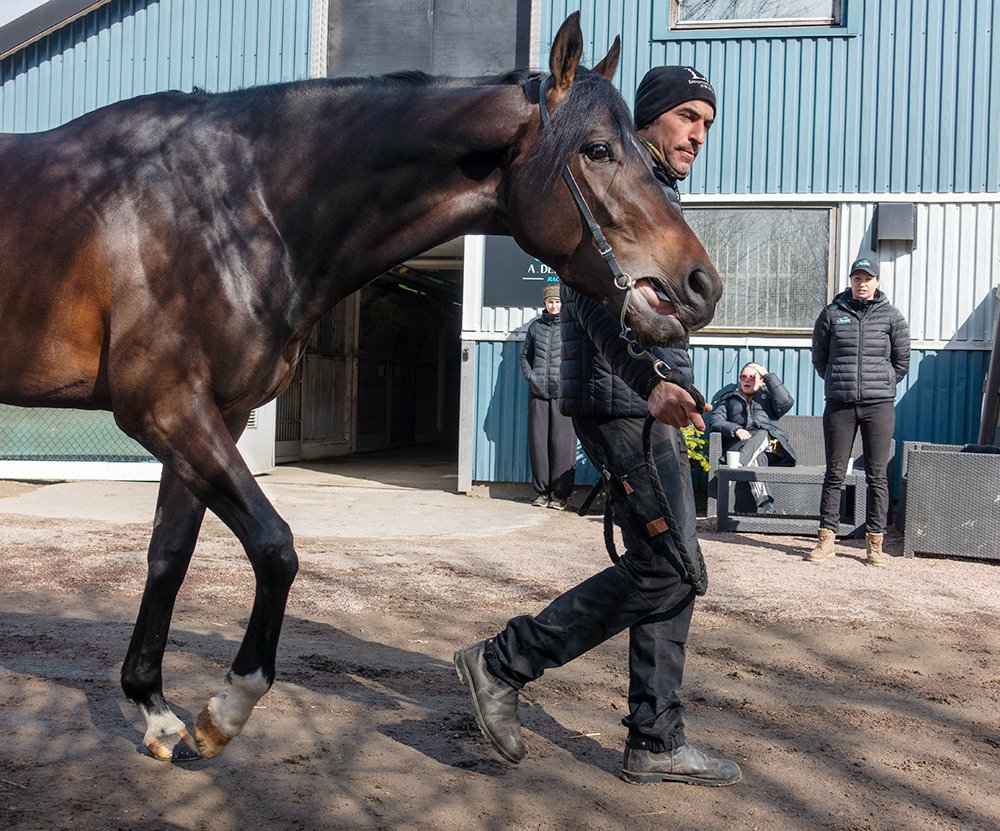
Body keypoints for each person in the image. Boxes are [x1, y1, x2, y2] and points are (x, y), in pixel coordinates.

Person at [454, 66, 742, 786]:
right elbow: (589, 297)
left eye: (706, 123)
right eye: (687, 118)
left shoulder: (651, 191)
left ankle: (655, 735)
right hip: (625, 405)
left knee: (670, 570)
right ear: (647, 119)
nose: (698, 135)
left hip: (651, 406)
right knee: (673, 569)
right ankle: (503, 660)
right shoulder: (611, 180)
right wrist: (650, 386)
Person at [808, 255, 910, 567]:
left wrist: (882, 382)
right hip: (840, 405)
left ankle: (874, 545)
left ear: (877, 282)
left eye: (867, 278)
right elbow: (820, 358)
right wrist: (841, 381)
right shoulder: (831, 314)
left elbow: (901, 362)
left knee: (877, 475)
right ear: (850, 281)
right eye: (857, 278)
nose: (861, 284)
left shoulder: (892, 317)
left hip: (878, 406)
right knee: (835, 473)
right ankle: (826, 540)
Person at [709, 362, 796, 513]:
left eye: (752, 376)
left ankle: (735, 468)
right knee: (757, 459)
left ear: (761, 380)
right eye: (743, 377)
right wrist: (735, 429)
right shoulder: (730, 400)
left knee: (762, 433)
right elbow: (716, 421)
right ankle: (767, 506)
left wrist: (767, 376)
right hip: (746, 447)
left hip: (772, 448)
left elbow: (786, 403)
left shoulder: (769, 397)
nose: (747, 380)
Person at [520, 282, 576, 509]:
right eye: (550, 302)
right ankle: (542, 493)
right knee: (539, 443)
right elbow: (525, 356)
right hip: (538, 392)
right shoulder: (535, 328)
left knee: (562, 445)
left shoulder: (572, 326)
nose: (554, 305)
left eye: (557, 301)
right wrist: (531, 377)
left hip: (563, 395)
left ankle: (560, 496)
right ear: (545, 303)